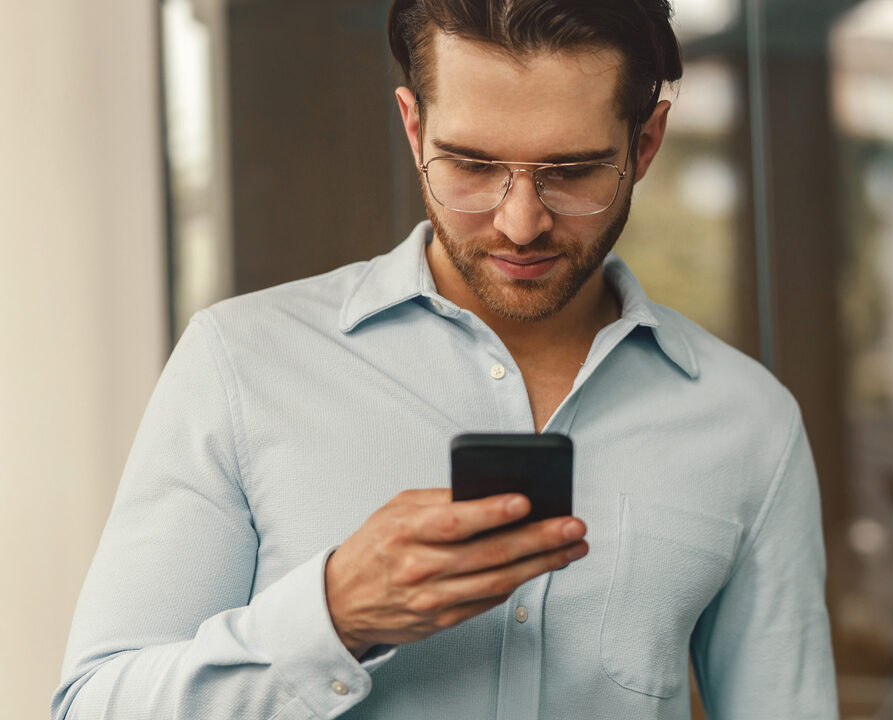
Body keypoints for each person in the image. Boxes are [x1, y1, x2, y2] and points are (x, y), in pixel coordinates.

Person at [52, 1, 837, 718]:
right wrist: (334, 616)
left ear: (646, 143)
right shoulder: (240, 362)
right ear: (412, 127)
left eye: (570, 173)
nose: (521, 222)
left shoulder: (749, 422)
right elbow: (92, 706)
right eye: (471, 166)